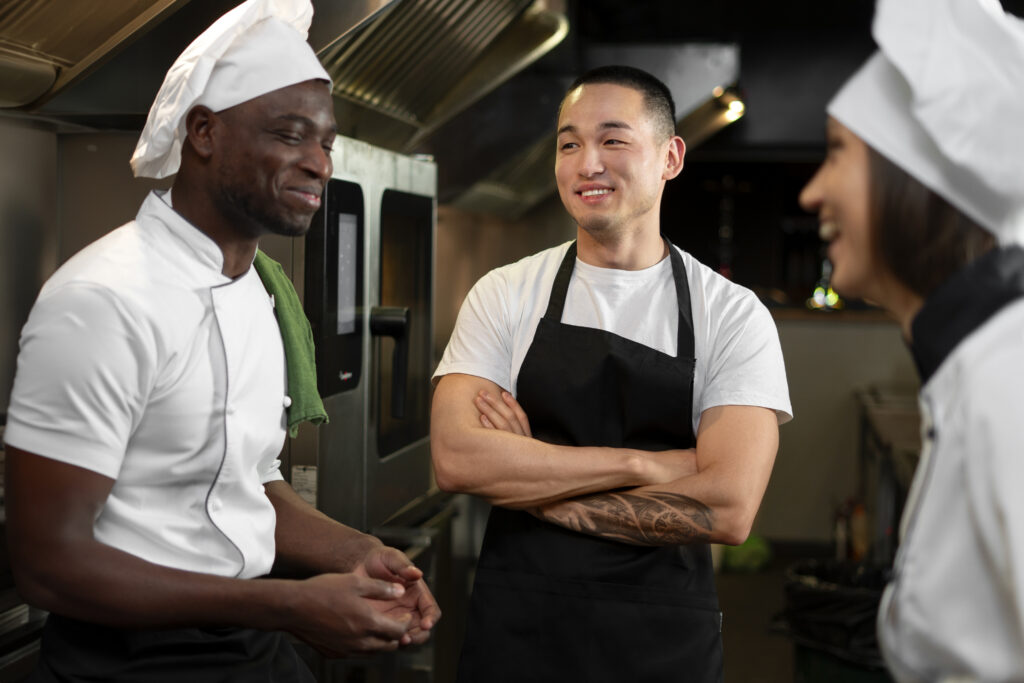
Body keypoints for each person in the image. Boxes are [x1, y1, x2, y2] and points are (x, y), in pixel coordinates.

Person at [2, 0, 439, 680]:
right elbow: (47, 564)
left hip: (251, 647)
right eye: (291, 135)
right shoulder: (104, 299)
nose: (319, 164)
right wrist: (287, 605)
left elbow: (247, 482)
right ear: (204, 133)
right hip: (128, 662)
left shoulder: (256, 292)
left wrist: (356, 551)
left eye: (326, 143)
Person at [431, 65, 792, 682]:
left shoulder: (730, 314)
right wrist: (646, 464)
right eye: (569, 144)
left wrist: (535, 476)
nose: (586, 163)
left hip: (662, 639)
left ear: (670, 157)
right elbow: (458, 459)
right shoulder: (506, 293)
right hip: (519, 632)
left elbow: (729, 508)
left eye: (613, 140)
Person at [798, 0, 1024, 679]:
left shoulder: (1006, 382)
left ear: (913, 181)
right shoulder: (971, 369)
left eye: (837, 152)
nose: (811, 192)